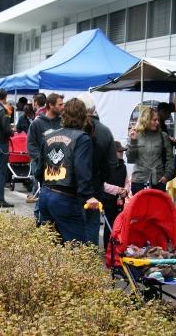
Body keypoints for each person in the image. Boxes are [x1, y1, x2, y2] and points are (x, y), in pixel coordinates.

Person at [36, 98, 99, 244]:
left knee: (50, 246)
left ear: (63, 115)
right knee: (77, 248)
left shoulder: (49, 136)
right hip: (65, 197)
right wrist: (88, 195)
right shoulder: (82, 138)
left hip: (45, 194)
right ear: (84, 116)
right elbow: (81, 168)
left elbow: (39, 168)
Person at [77, 93, 118, 246]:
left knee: (77, 222)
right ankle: (90, 257)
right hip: (96, 184)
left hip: (75, 186)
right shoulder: (105, 131)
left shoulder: (73, 129)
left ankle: (76, 258)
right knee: (92, 222)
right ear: (94, 109)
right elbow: (113, 163)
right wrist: (103, 178)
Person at [27, 93, 64, 217]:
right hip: (42, 167)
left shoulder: (63, 123)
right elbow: (31, 145)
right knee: (43, 193)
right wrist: (40, 160)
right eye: (60, 104)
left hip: (60, 167)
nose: (62, 107)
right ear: (50, 105)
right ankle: (40, 220)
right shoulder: (37, 123)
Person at [127, 107, 175, 195]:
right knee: (141, 208)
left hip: (158, 181)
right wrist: (133, 141)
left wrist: (166, 176)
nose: (157, 122)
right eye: (154, 120)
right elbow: (130, 159)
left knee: (156, 208)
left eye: (158, 120)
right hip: (139, 181)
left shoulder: (163, 136)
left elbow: (170, 159)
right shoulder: (136, 135)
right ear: (146, 120)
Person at [102, 141, 131, 249]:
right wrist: (118, 190)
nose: (122, 153)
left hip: (120, 199)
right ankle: (107, 247)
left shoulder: (123, 166)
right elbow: (102, 185)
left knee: (118, 223)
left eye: (122, 151)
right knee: (109, 223)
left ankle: (116, 246)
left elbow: (127, 181)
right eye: (119, 151)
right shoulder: (105, 166)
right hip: (108, 199)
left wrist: (125, 191)